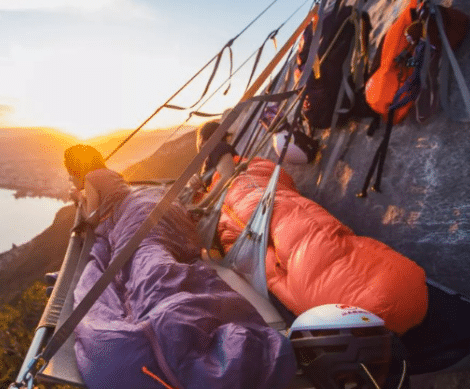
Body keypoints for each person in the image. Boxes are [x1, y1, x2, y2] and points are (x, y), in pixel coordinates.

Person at [61, 144, 296, 389]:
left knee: (146, 264)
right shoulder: (109, 173)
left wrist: (78, 196)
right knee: (156, 257)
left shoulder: (90, 177)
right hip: (156, 206)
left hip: (137, 216)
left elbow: (93, 216)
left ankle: (174, 322)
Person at [189, 120, 237, 208]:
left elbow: (228, 177)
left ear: (202, 140)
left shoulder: (217, 147)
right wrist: (198, 186)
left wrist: (200, 206)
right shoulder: (211, 161)